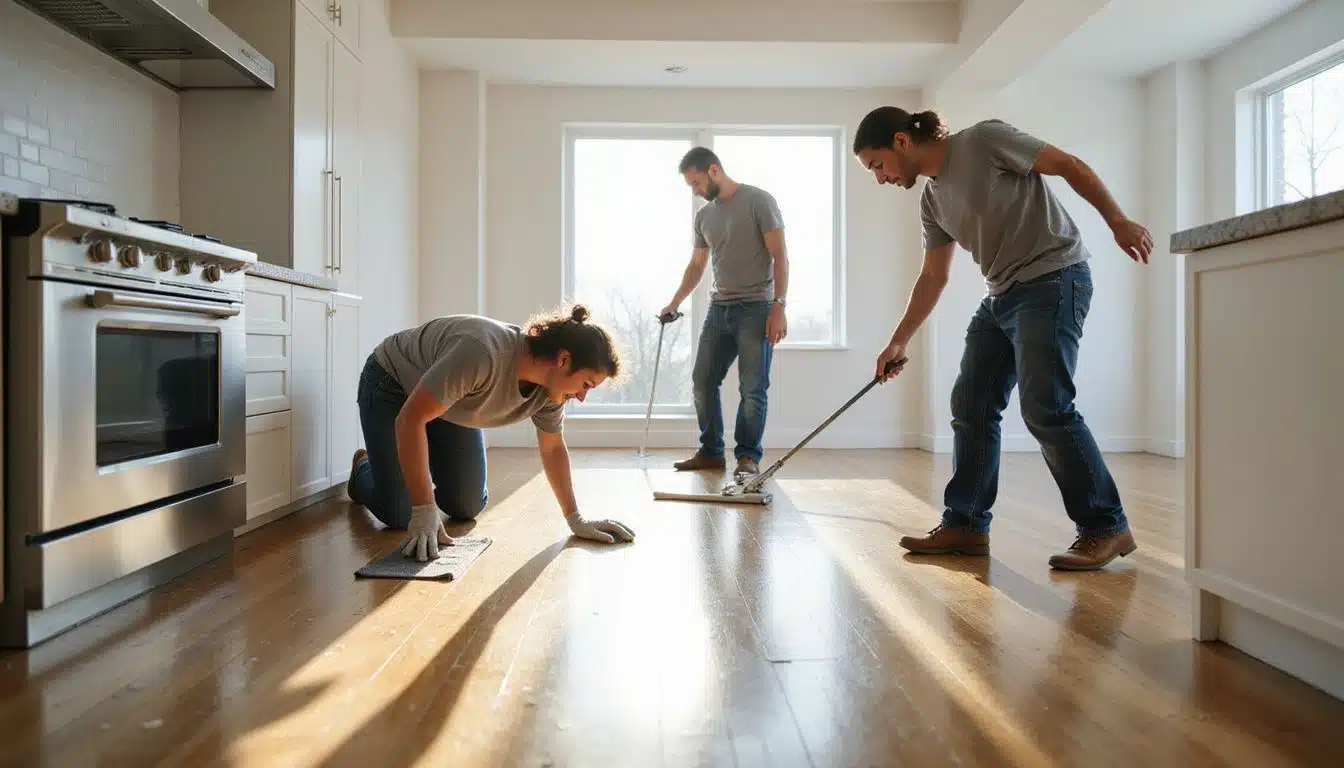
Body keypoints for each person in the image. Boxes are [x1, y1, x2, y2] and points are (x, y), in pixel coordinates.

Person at [852, 106, 1153, 571]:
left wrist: (1117, 220)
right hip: (1003, 295)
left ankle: (1106, 526)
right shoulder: (932, 200)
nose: (880, 178)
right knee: (970, 403)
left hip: (1055, 279)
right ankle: (966, 525)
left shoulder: (984, 141)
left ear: (901, 142)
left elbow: (1068, 165)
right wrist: (898, 342)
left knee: (1046, 406)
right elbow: (933, 276)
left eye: (877, 165)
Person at [346, 304, 636, 561]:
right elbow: (410, 418)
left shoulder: (551, 393)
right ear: (563, 361)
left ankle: (411, 463)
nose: (582, 397)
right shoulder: (482, 353)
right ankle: (363, 469)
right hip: (393, 384)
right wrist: (423, 507)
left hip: (446, 402)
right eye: (587, 384)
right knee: (401, 512)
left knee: (467, 504)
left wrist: (575, 519)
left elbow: (552, 448)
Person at [660, 146, 790, 479]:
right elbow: (696, 265)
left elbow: (781, 257)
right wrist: (674, 302)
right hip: (720, 308)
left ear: (714, 170)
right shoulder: (704, 217)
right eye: (690, 185)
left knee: (752, 387)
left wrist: (779, 307)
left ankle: (747, 457)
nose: (695, 191)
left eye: (696, 183)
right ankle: (711, 453)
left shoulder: (759, 201)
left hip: (757, 307)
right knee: (702, 381)